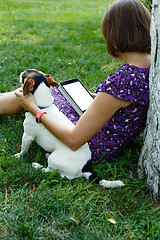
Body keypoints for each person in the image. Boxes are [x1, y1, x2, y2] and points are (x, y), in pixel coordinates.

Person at [1, 0, 151, 163]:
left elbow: (73, 140)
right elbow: (124, 103)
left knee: (38, 90)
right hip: (109, 139)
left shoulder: (123, 79)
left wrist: (32, 108)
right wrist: (100, 98)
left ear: (115, 35)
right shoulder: (151, 66)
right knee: (52, 90)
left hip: (88, 147)